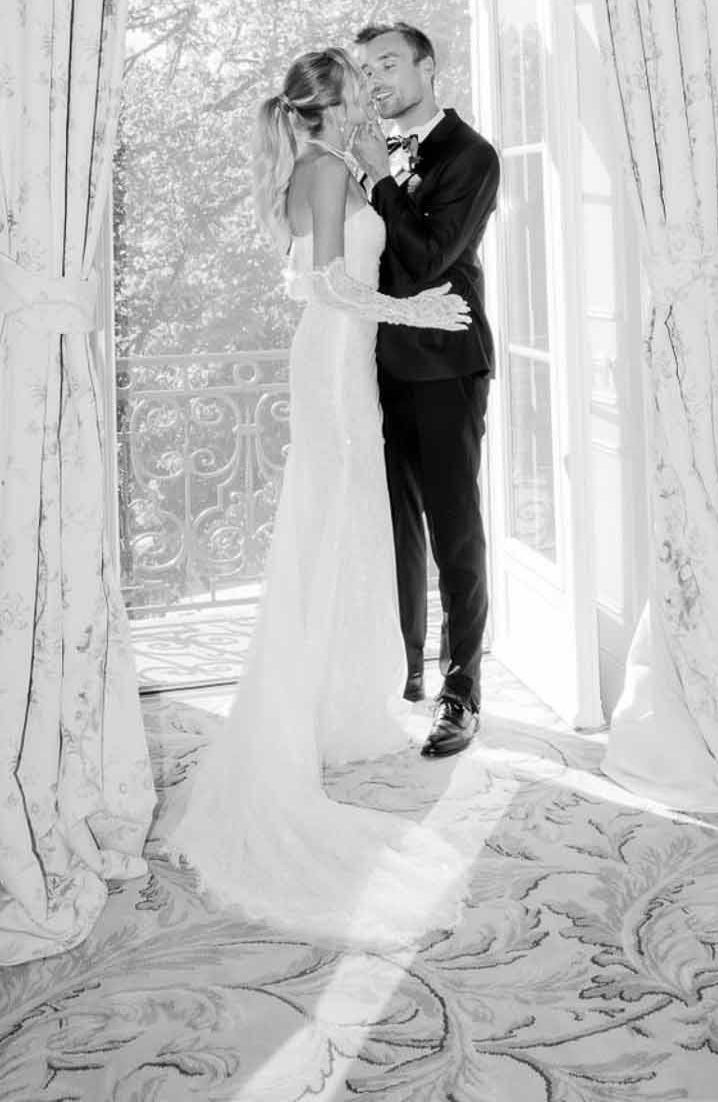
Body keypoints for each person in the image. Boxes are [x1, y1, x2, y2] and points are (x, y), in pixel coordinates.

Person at [162, 46, 473, 947]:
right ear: (332, 103)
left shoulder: (325, 164)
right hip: (335, 363)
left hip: (342, 361)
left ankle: (340, 703)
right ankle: (302, 714)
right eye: (360, 86)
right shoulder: (327, 169)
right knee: (331, 525)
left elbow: (317, 277)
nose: (372, 94)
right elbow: (329, 284)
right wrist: (417, 311)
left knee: (346, 527)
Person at [350, 22, 501, 759]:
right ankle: (403, 671)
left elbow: (429, 260)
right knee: (393, 531)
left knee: (453, 532)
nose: (374, 80)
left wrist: (381, 178)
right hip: (373, 365)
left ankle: (461, 690)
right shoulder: (365, 153)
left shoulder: (471, 155)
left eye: (387, 64)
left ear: (427, 66)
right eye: (364, 70)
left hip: (446, 365)